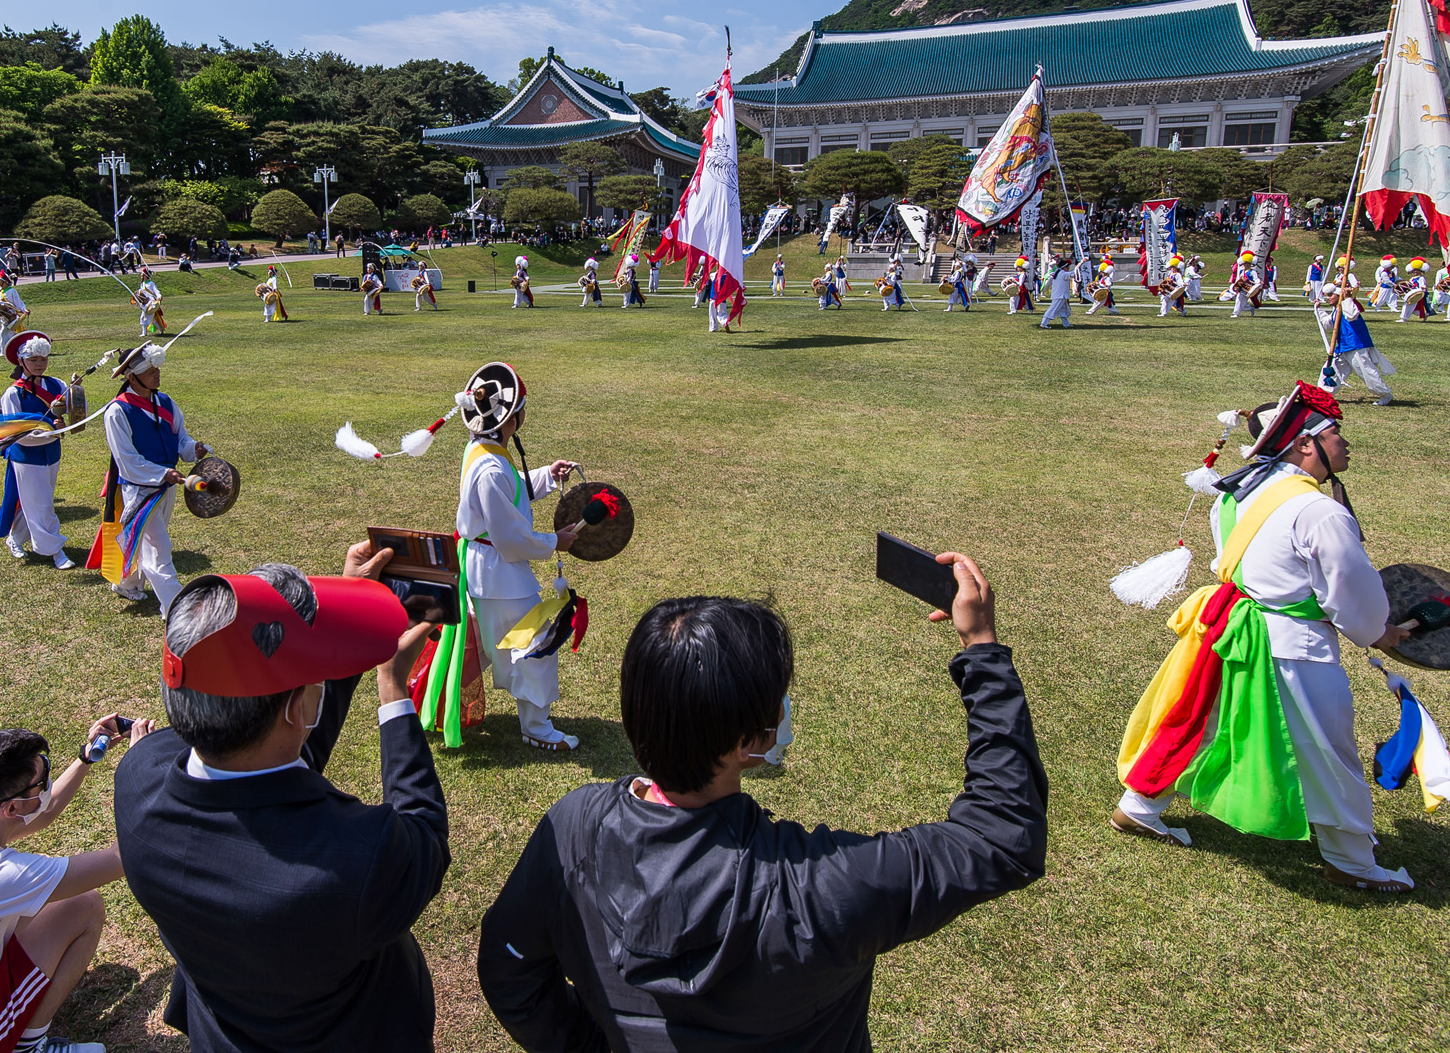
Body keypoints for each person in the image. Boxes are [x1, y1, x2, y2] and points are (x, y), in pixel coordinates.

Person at [477, 551, 1046, 1050]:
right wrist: (982, 650)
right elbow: (1001, 836)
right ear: (753, 740)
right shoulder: (824, 886)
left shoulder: (574, 829)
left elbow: (510, 968)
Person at [114, 549, 448, 1053]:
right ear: (299, 706)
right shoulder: (358, 859)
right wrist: (393, 690)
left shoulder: (139, 778)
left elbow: (280, 745)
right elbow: (423, 832)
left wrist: (333, 615)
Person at [1114, 382, 1419, 891]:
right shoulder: (1318, 511)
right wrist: (1380, 633)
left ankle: (1139, 804)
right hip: (1291, 644)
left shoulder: (1240, 490)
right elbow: (1350, 595)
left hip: (1230, 626)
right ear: (1305, 444)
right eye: (1334, 433)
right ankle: (1353, 863)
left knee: (1201, 719)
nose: (1345, 443)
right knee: (1327, 751)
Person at [0, 719, 150, 1053]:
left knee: (74, 904)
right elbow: (125, 855)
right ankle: (29, 1047)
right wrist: (142, 769)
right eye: (42, 780)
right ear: (11, 808)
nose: (47, 783)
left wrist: (86, 758)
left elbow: (45, 811)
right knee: (86, 905)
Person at [450, 362, 584, 752]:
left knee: (486, 646)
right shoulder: (490, 466)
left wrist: (547, 476)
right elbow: (509, 536)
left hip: (484, 570)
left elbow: (510, 494)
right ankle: (537, 728)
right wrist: (552, 542)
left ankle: (441, 701)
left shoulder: (484, 450)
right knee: (535, 646)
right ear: (514, 415)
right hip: (500, 575)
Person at [91, 340, 212, 616]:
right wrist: (161, 473)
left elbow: (180, 438)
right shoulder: (117, 411)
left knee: (146, 542)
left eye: (157, 367)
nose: (157, 373)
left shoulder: (166, 402)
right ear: (132, 377)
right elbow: (126, 460)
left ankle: (127, 582)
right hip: (139, 490)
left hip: (166, 485)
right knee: (159, 548)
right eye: (150, 370)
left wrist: (193, 449)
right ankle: (177, 608)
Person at [0, 331, 74, 570]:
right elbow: (15, 434)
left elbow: (74, 414)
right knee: (42, 504)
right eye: (33, 360)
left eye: (43, 359)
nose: (39, 364)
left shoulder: (57, 384)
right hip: (26, 456)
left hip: (52, 453)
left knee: (38, 500)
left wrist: (75, 396)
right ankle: (55, 551)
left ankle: (16, 537)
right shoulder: (13, 394)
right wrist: (52, 428)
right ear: (21, 362)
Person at [1316, 283, 1395, 405]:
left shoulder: (1348, 305)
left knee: (1366, 372)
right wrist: (1319, 309)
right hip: (1343, 347)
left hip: (1356, 345)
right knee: (1332, 370)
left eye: (1331, 295)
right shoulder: (1336, 310)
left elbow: (1352, 315)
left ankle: (1385, 394)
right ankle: (1323, 394)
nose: (1328, 298)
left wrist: (1347, 298)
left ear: (1339, 295)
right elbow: (1328, 324)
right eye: (1327, 295)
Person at [0, 271, 30, 357]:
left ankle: (13, 350)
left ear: (5, 281)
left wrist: (24, 310)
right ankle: (3, 351)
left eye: (0, 280)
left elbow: (18, 302)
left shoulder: (12, 291)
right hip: (3, 316)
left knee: (12, 333)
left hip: (12, 316)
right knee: (3, 333)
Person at [1040, 255, 1080, 328]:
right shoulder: (1063, 274)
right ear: (1064, 267)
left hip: (1060, 295)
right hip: (1060, 295)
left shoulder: (1057, 272)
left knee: (1063, 311)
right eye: (1067, 267)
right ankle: (1044, 323)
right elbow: (1074, 273)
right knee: (1052, 309)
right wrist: (1081, 263)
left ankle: (1066, 324)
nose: (1068, 269)